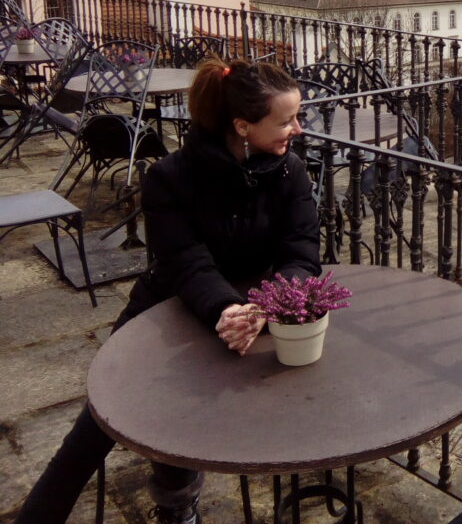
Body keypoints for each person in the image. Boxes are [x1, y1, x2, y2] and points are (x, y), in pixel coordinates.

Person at [15, 58, 321, 524]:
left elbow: (302, 254)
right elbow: (183, 261)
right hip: (170, 305)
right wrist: (227, 307)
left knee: (200, 410)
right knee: (101, 421)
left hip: (254, 312)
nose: (297, 129)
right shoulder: (169, 176)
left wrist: (265, 305)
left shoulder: (289, 171)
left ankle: (177, 501)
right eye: (286, 121)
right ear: (242, 125)